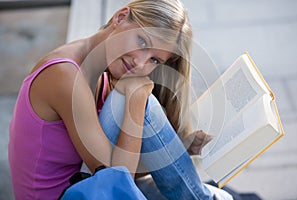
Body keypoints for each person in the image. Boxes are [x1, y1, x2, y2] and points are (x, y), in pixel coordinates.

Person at [8, 0, 233, 199]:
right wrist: (136, 101)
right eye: (142, 42)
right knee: (137, 102)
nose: (140, 63)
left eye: (154, 59)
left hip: (88, 187)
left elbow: (124, 167)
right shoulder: (65, 76)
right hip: (71, 195)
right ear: (120, 17)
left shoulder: (105, 70)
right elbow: (118, 183)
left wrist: (178, 149)